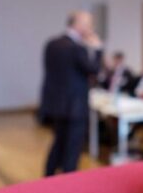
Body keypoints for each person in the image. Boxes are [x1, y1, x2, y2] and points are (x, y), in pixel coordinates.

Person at [39, 11, 103, 176]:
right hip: (75, 106)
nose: (91, 28)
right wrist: (97, 49)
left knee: (59, 142)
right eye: (89, 24)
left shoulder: (52, 44)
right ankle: (69, 181)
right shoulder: (76, 47)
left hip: (57, 105)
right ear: (78, 24)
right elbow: (93, 69)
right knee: (72, 148)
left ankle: (48, 176)